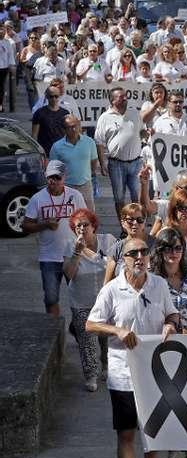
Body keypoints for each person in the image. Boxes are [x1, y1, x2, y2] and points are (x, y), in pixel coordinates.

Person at [86, 236, 180, 458]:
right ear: (123, 260)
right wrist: (116, 330)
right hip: (123, 373)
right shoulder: (112, 290)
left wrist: (171, 324)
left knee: (154, 428)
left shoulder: (159, 285)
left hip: (156, 371)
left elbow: (172, 313)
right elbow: (91, 324)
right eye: (133, 253)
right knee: (126, 434)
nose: (140, 257)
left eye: (144, 252)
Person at [148, 227, 187, 458]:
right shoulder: (152, 279)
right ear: (160, 252)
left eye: (179, 248)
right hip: (164, 348)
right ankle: (172, 450)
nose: (174, 254)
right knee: (170, 400)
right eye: (169, 249)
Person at [22, 160, 87, 317]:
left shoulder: (75, 196)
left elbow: (86, 220)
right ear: (46, 177)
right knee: (51, 299)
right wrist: (44, 225)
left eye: (58, 177)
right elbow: (25, 225)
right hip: (49, 257)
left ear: (65, 178)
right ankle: (54, 335)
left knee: (81, 299)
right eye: (51, 177)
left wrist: (85, 243)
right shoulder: (37, 199)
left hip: (73, 255)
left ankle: (77, 328)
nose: (54, 181)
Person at [61, 208, 115, 392]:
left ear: (94, 226)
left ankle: (107, 365)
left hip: (106, 302)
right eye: (78, 226)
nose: (82, 229)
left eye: (85, 225)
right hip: (81, 301)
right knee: (86, 341)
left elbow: (111, 264)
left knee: (107, 338)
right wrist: (77, 253)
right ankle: (91, 375)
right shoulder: (69, 245)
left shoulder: (108, 240)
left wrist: (88, 252)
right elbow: (69, 274)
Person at [95, 87, 144, 221]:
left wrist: (148, 133)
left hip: (136, 163)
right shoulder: (104, 118)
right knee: (119, 198)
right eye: (121, 97)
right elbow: (99, 142)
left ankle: (137, 222)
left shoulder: (134, 113)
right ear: (112, 100)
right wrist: (102, 163)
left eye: (125, 96)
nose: (125, 98)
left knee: (137, 196)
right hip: (116, 164)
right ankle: (123, 225)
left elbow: (142, 132)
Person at [49, 115, 99, 211]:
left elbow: (93, 162)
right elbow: (53, 169)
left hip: (85, 185)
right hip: (66, 186)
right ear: (64, 130)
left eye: (76, 125)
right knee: (67, 215)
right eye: (70, 127)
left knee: (89, 215)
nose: (74, 129)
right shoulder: (57, 146)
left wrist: (88, 175)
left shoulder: (89, 142)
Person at [104, 203, 153, 284]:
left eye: (140, 220)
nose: (135, 223)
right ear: (123, 223)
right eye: (130, 220)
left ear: (144, 222)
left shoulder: (155, 245)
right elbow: (107, 283)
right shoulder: (116, 249)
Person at [31, 85, 69, 154]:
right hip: (46, 152)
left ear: (59, 96)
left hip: (62, 151)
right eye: (51, 96)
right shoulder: (39, 113)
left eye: (56, 96)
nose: (54, 99)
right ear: (47, 97)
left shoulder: (65, 113)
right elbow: (34, 135)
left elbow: (68, 133)